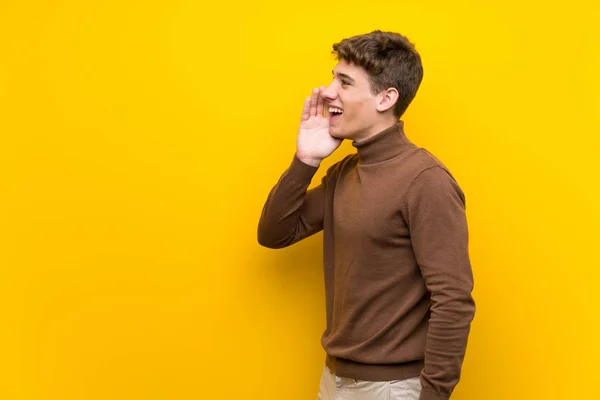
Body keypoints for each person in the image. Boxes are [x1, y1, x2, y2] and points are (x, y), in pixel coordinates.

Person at [257, 30, 475, 400]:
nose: (328, 92)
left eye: (344, 82)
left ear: (386, 98)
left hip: (391, 390)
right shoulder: (344, 173)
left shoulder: (425, 181)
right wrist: (306, 159)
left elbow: (454, 301)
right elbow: (274, 233)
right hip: (335, 380)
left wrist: (433, 395)